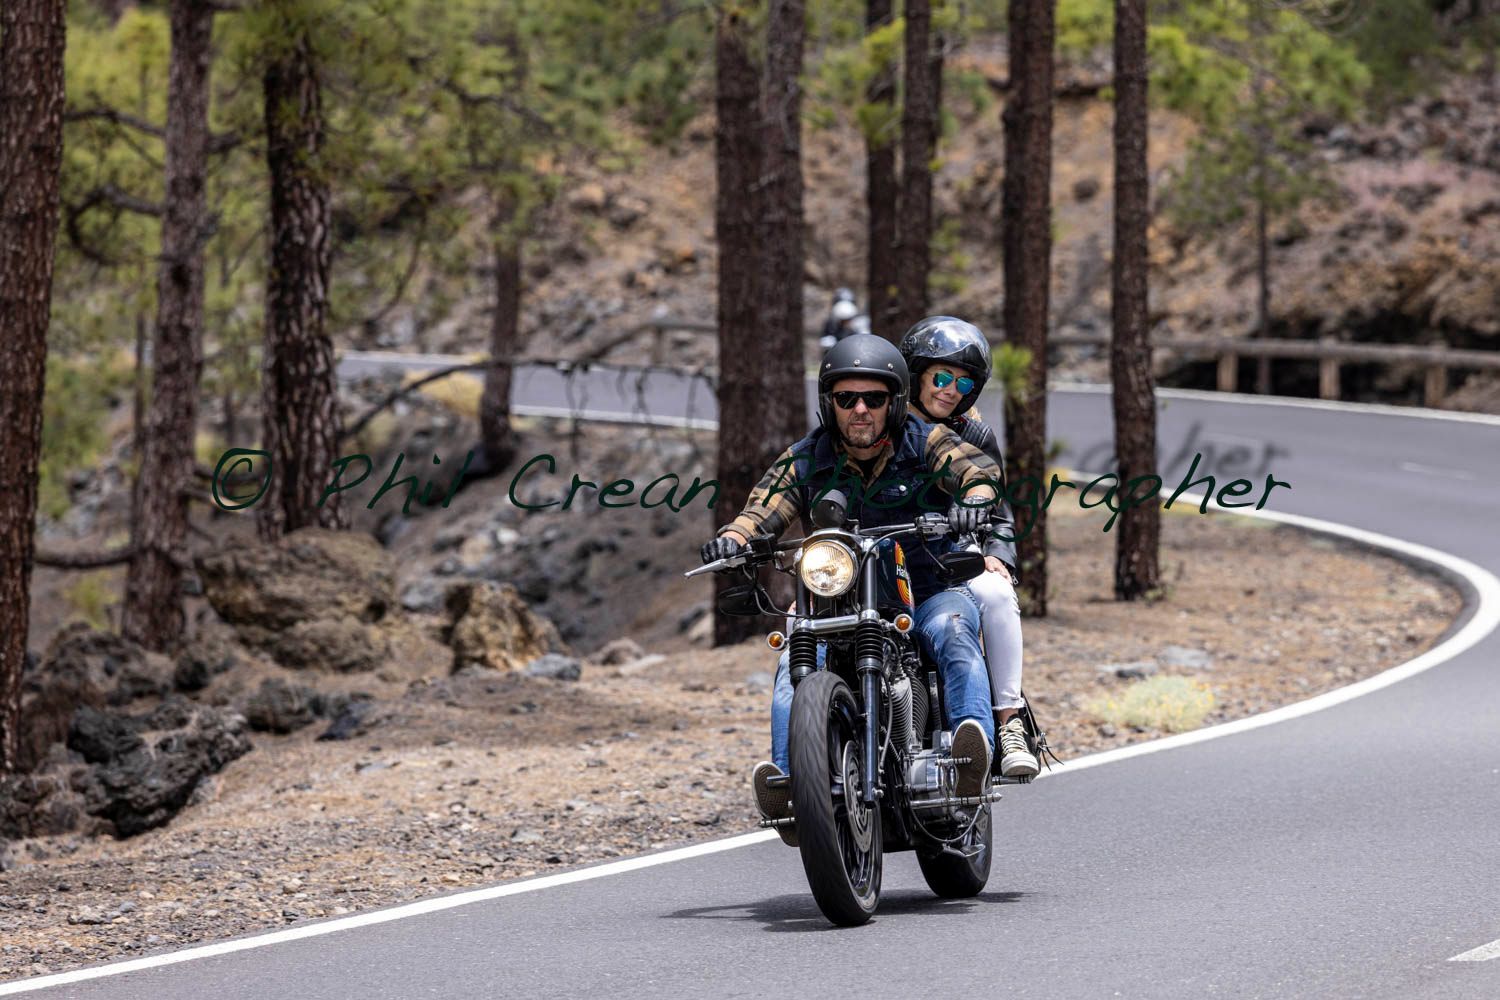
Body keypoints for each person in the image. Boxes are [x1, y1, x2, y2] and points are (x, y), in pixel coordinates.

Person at [699, 334, 1003, 842]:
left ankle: (972, 757)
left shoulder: (924, 440)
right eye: (847, 398)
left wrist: (973, 499)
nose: (860, 409)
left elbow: (979, 472)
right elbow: (761, 509)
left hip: (927, 587)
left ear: (895, 402)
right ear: (829, 402)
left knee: (955, 631)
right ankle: (792, 786)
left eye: (873, 398)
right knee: (791, 663)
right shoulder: (806, 457)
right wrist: (734, 540)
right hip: (833, 598)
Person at [899, 316, 1039, 779]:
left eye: (963, 383)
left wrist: (998, 553)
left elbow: (1000, 508)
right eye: (941, 377)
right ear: (916, 373)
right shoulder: (881, 423)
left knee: (996, 594)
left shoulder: (975, 433)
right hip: (885, 554)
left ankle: (1009, 722)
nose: (950, 390)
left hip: (954, 554)